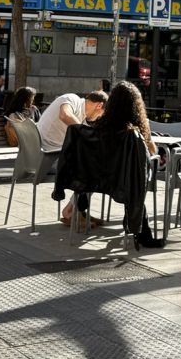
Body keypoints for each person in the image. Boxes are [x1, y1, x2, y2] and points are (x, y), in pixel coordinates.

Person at [54, 82, 165, 246]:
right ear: (136, 106)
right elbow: (147, 156)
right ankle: (142, 233)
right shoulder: (132, 134)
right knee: (139, 173)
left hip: (94, 178)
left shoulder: (97, 127)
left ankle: (80, 207)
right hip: (124, 182)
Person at [37, 90, 106, 224]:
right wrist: (85, 133)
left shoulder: (81, 119)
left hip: (52, 155)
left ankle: (74, 210)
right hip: (46, 159)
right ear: (99, 106)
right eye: (101, 114)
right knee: (92, 170)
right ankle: (73, 211)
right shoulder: (71, 99)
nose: (99, 118)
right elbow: (64, 115)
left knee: (94, 166)